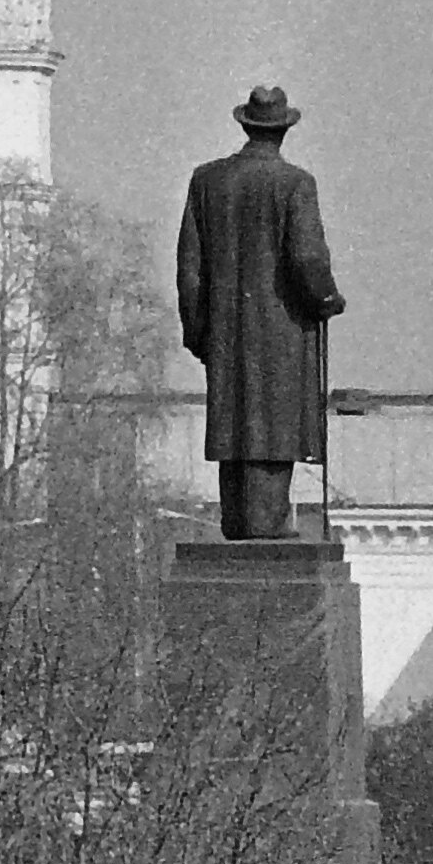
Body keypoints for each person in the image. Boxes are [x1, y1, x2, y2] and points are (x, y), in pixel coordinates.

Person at [175, 84, 348, 543]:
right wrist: (327, 299)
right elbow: (307, 259)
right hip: (281, 332)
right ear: (284, 131)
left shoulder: (207, 181)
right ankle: (267, 523)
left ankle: (240, 519)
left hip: (226, 334)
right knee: (274, 423)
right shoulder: (295, 184)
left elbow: (190, 269)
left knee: (235, 424)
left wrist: (199, 332)